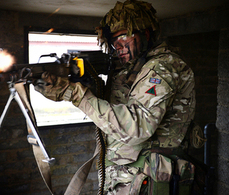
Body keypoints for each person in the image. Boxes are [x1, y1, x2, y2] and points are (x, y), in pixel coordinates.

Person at [34, 0, 197, 194]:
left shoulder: (161, 68)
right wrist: (86, 84)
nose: (117, 45)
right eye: (113, 41)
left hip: (149, 181)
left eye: (123, 36)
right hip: (126, 180)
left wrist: (74, 93)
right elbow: (119, 107)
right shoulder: (132, 69)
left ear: (145, 33)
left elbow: (137, 126)